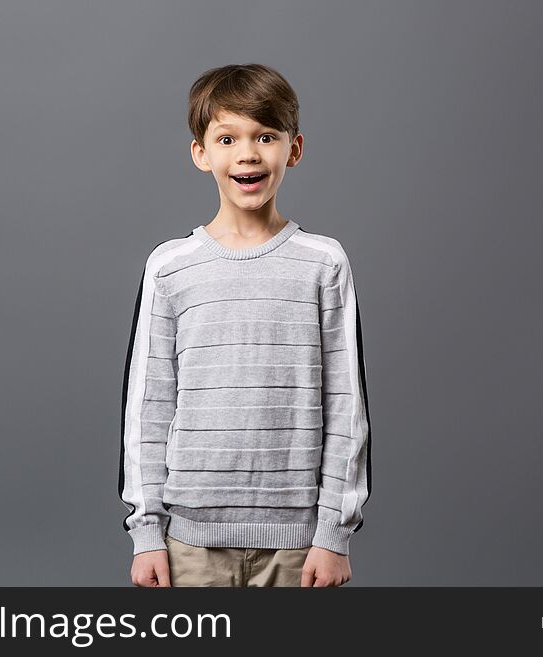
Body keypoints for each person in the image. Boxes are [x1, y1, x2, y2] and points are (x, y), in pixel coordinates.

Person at [118, 63, 372, 587]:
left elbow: (346, 405)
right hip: (189, 543)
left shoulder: (323, 264)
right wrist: (147, 534)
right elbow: (148, 407)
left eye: (265, 136)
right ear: (201, 153)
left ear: (293, 149)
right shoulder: (170, 267)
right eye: (228, 137)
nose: (248, 153)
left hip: (300, 546)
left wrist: (333, 534)